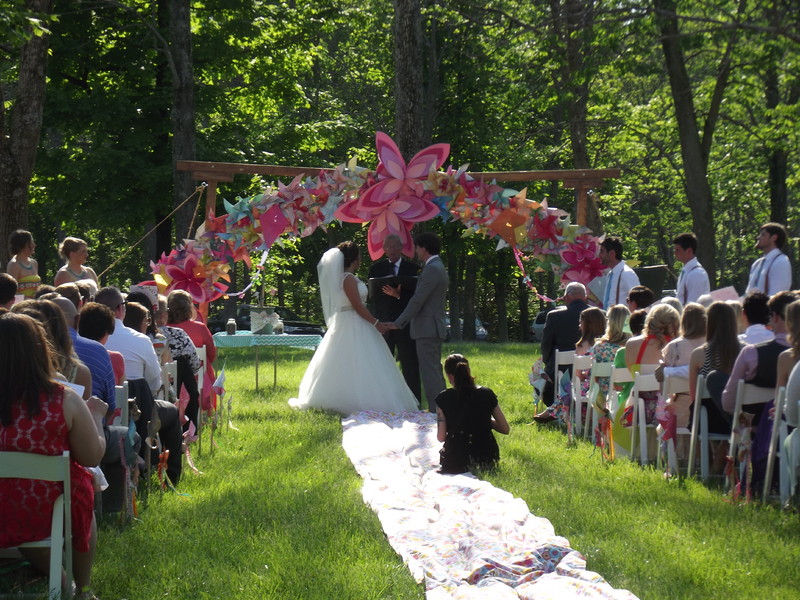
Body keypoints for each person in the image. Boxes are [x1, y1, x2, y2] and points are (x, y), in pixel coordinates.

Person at [0, 311, 106, 600]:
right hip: (46, 511)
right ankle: (83, 589)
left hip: (7, 510)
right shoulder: (64, 399)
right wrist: (96, 417)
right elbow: (92, 456)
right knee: (80, 487)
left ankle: (63, 582)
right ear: (40, 349)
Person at [289, 241, 418, 415]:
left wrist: (375, 322)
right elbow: (357, 306)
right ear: (354, 258)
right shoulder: (347, 279)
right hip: (351, 323)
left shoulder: (348, 277)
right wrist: (376, 323)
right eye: (359, 256)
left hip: (354, 322)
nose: (361, 259)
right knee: (355, 359)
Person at [384, 232, 449, 413]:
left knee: (430, 373)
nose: (416, 251)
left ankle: (437, 411)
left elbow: (418, 300)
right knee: (433, 371)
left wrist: (398, 323)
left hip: (427, 329)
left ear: (424, 248)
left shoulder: (432, 268)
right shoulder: (436, 266)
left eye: (417, 247)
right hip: (430, 328)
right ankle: (442, 408)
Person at [367, 233, 422, 401]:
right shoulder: (376, 269)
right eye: (388, 247)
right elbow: (372, 298)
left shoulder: (413, 269)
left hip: (405, 324)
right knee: (383, 363)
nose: (392, 250)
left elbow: (418, 297)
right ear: (384, 249)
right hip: (383, 323)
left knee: (409, 363)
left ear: (401, 248)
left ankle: (413, 399)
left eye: (395, 246)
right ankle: (384, 398)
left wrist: (399, 295)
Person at [435, 354, 510, 474]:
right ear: (468, 371)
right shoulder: (487, 394)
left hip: (456, 460)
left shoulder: (443, 398)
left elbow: (441, 437)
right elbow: (505, 428)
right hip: (486, 457)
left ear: (449, 376)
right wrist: (483, 418)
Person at [535, 281, 589, 416]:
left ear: (567, 297)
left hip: (561, 371)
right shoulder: (600, 315)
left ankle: (554, 408)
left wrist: (548, 363)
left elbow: (546, 344)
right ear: (585, 297)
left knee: (541, 376)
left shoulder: (554, 316)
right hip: (589, 372)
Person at [167, 290, 217, 413]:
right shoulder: (200, 328)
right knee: (206, 366)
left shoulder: (163, 330)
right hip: (197, 378)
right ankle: (206, 411)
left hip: (171, 379)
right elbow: (212, 355)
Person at [746, 222, 792, 296]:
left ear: (774, 238)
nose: (758, 237)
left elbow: (777, 295)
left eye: (763, 234)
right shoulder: (757, 263)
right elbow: (748, 293)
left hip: (769, 307)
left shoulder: (781, 262)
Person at [598, 236, 640, 309]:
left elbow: (638, 301)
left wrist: (627, 320)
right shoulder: (611, 274)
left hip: (622, 319)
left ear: (612, 253)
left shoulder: (626, 273)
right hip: (611, 318)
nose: (599, 255)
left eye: (602, 251)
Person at [673, 233, 710, 305]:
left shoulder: (697, 274)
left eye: (677, 250)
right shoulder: (686, 270)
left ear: (689, 251)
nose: (674, 253)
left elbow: (693, 306)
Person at [6, 229, 40, 298]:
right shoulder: (14, 265)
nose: (34, 245)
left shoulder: (34, 263)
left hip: (35, 305)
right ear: (23, 244)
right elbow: (11, 292)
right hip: (21, 307)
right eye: (31, 242)